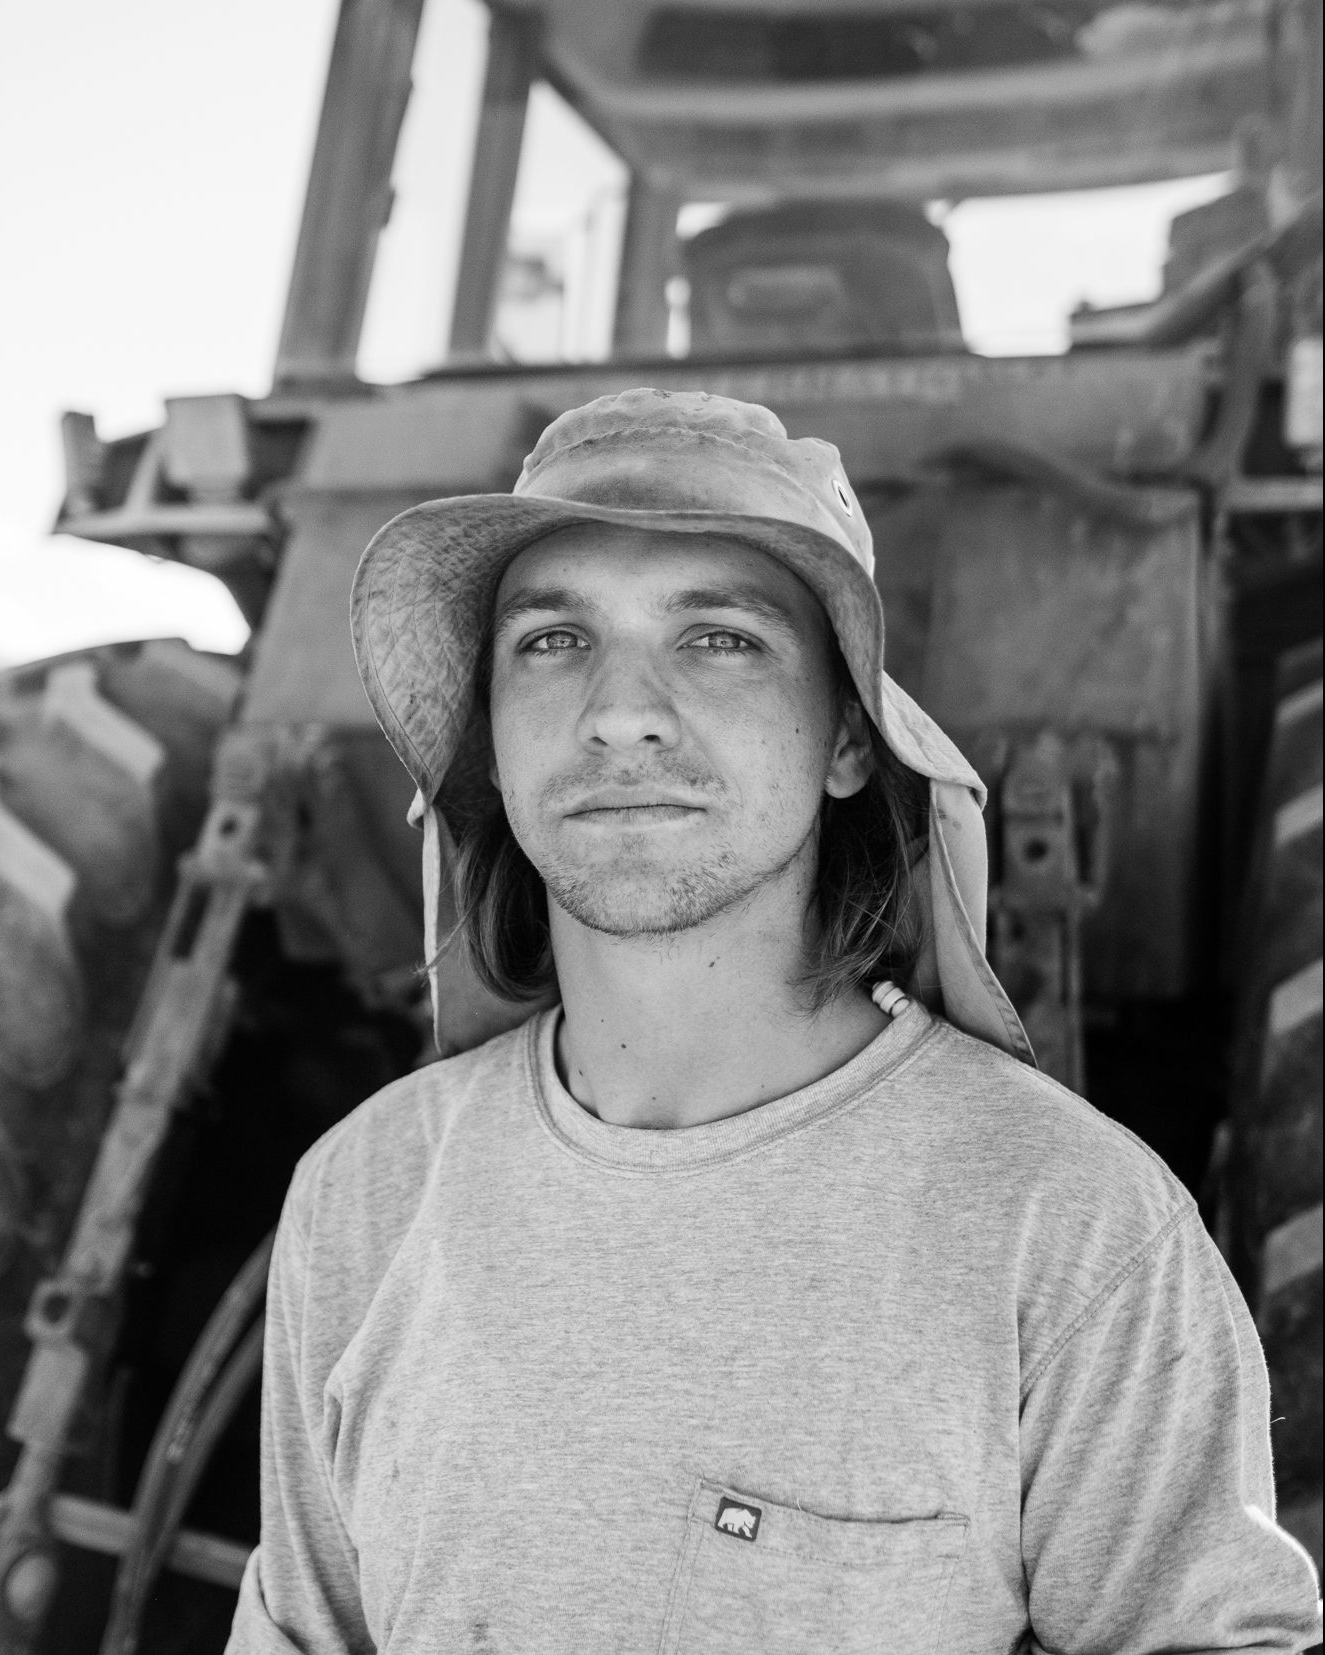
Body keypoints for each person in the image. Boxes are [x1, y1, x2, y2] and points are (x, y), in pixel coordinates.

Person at [227, 389, 1322, 1653]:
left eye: (720, 639)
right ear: (489, 733)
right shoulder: (361, 1196)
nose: (619, 710)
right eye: (550, 641)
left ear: (851, 737)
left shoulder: (1066, 1227)